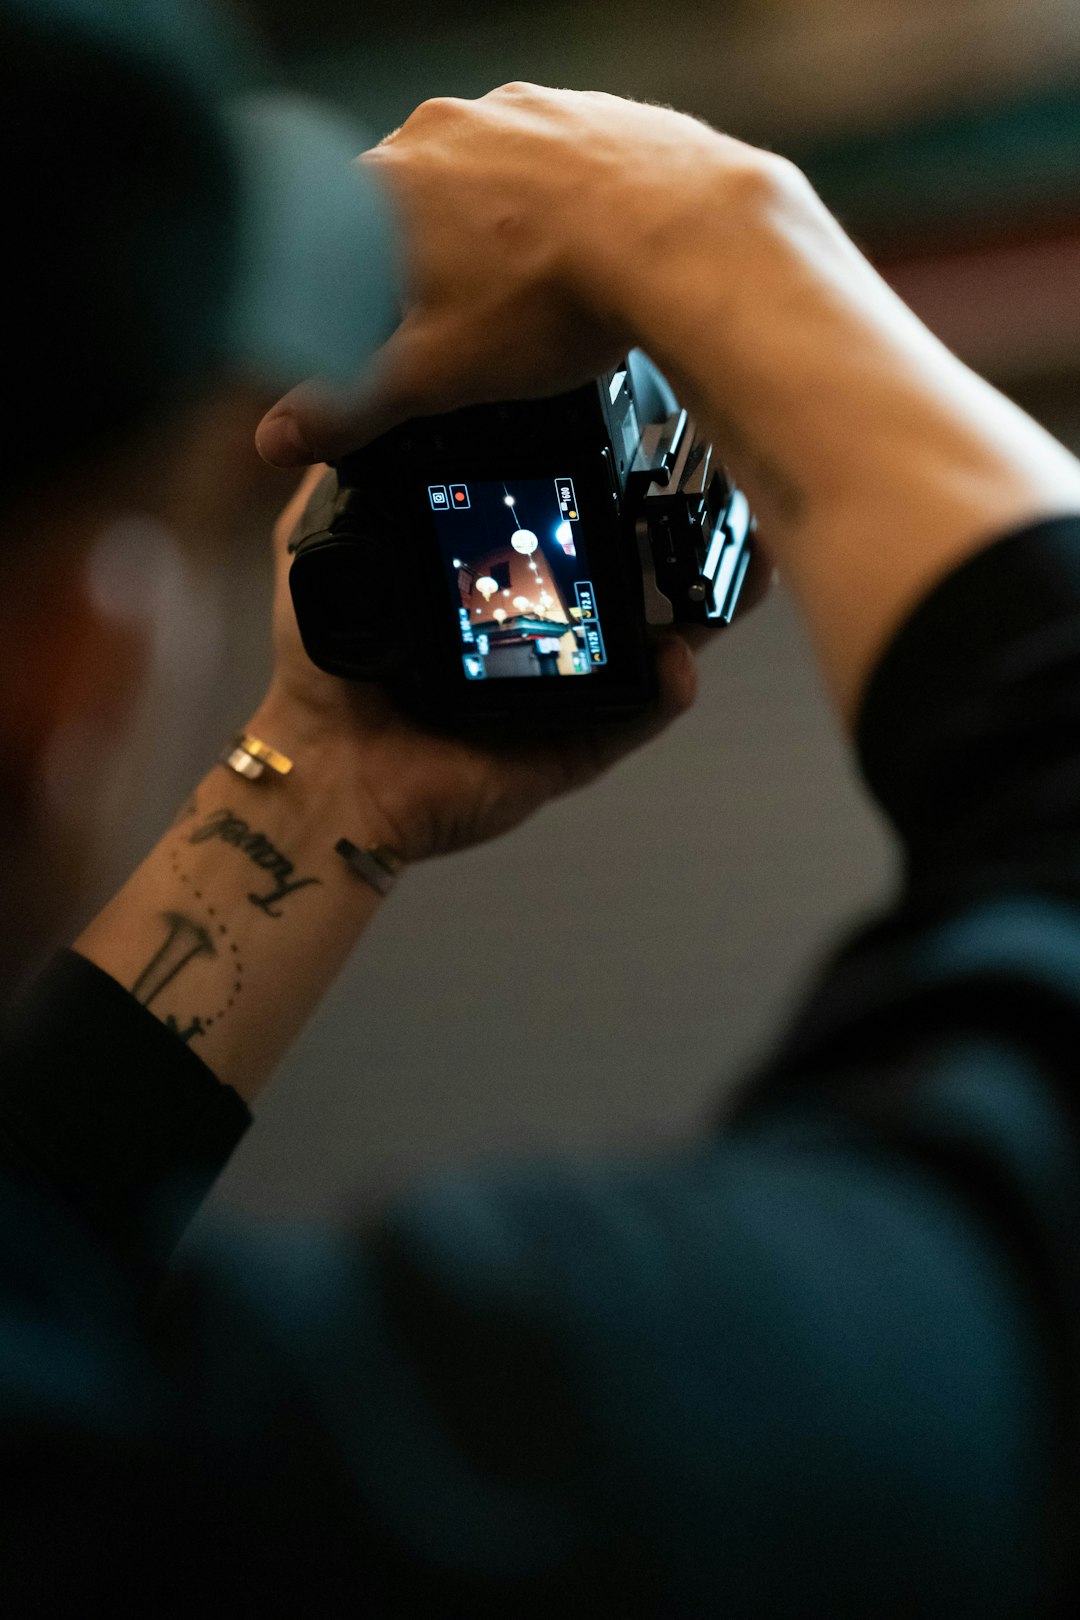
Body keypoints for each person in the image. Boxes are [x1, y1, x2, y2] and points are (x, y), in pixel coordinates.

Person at [3, 0, 1080, 1613]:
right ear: (69, 651)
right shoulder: (227, 1493)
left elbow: (35, 1238)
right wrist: (714, 229)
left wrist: (320, 785)